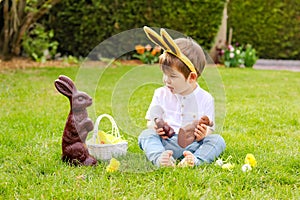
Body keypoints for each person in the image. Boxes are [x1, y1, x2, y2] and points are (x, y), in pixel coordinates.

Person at [138, 27, 226, 167]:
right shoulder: (160, 93)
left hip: (193, 144)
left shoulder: (205, 98)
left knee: (217, 141)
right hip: (165, 142)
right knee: (146, 135)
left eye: (172, 76)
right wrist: (155, 127)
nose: (166, 80)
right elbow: (150, 121)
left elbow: (210, 129)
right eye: (164, 74)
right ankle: (161, 158)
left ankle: (194, 160)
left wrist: (204, 134)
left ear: (191, 77)